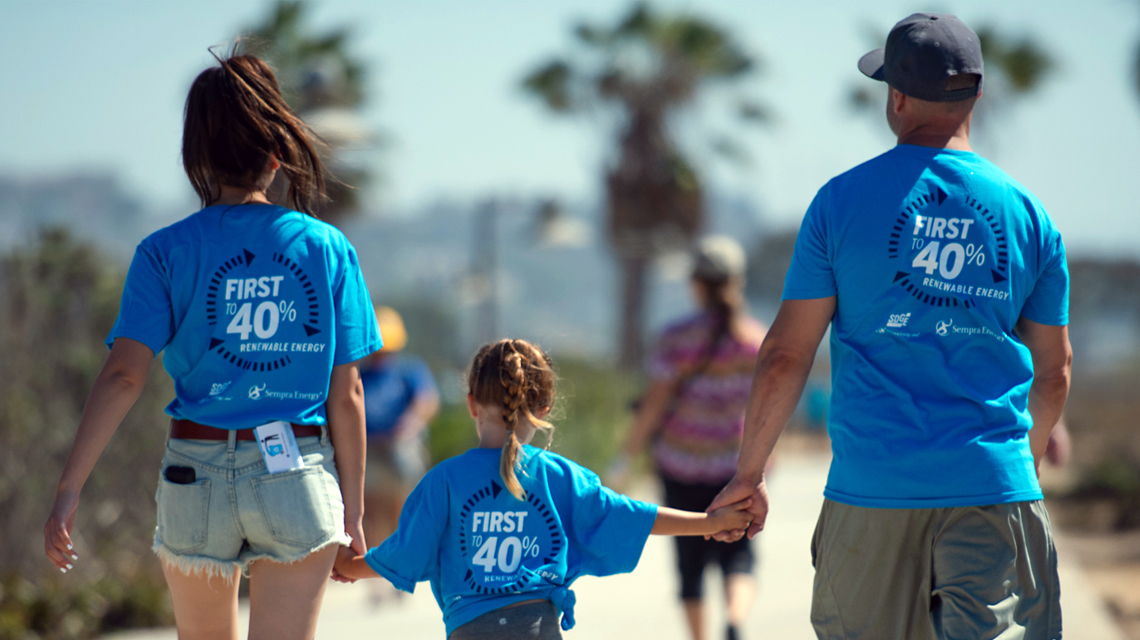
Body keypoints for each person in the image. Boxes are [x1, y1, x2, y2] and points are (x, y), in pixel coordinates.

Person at [708, 13, 1072, 640]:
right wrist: (1024, 463)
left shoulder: (840, 203)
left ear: (897, 97)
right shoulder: (1030, 216)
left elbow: (786, 355)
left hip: (871, 491)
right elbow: (1055, 371)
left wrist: (749, 475)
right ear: (977, 94)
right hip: (991, 487)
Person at [43, 51, 383, 640]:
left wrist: (69, 489)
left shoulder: (163, 251)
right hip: (296, 471)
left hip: (191, 477)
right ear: (277, 153)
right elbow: (347, 392)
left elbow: (124, 376)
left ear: (197, 157)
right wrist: (352, 511)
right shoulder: (327, 248)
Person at [333, 339, 754, 639]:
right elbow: (631, 514)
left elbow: (404, 553)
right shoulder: (561, 477)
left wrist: (350, 566)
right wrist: (708, 523)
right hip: (540, 628)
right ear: (545, 408)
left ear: (472, 403)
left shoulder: (443, 481)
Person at [613, 236, 766, 640]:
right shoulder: (754, 340)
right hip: (733, 466)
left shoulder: (676, 337)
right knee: (740, 556)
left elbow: (654, 405)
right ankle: (734, 622)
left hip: (680, 464)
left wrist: (625, 457)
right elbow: (767, 408)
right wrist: (767, 458)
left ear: (696, 283)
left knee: (690, 562)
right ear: (737, 282)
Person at [359, 306, 440, 600]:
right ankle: (374, 579)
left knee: (400, 510)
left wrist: (410, 422)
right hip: (369, 449)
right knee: (370, 514)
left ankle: (399, 571)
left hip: (397, 448)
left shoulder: (408, 369)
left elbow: (426, 400)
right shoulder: (360, 374)